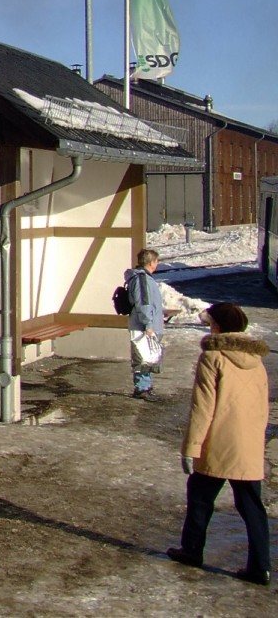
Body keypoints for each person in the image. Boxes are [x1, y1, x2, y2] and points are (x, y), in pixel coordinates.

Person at [167, 302, 271, 586]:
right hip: (247, 443)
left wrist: (191, 448)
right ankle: (260, 566)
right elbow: (263, 407)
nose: (209, 326)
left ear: (219, 326)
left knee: (200, 498)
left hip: (217, 441)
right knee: (251, 505)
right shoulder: (257, 361)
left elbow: (203, 408)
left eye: (211, 322)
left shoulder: (213, 357)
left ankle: (192, 550)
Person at [124, 248, 163, 400]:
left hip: (145, 323)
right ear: (152, 262)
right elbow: (144, 304)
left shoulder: (142, 278)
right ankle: (141, 387)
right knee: (142, 355)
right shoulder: (142, 280)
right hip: (143, 324)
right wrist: (148, 324)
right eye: (156, 261)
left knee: (148, 355)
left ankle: (145, 385)